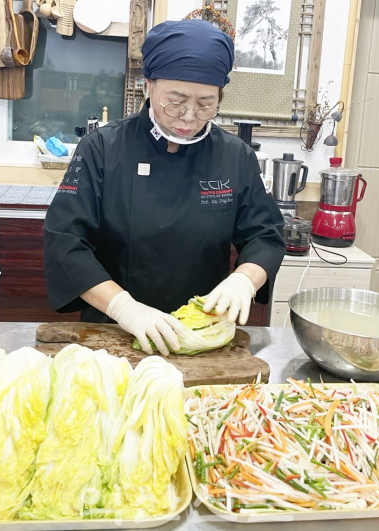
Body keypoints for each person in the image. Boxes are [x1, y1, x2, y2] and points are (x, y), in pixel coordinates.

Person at [44, 19, 286, 356]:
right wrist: (125, 309)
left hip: (200, 335)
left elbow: (265, 236)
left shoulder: (235, 156)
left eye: (206, 104)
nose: (188, 116)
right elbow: (66, 242)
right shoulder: (103, 148)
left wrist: (244, 280)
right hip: (113, 333)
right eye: (176, 100)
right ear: (149, 85)